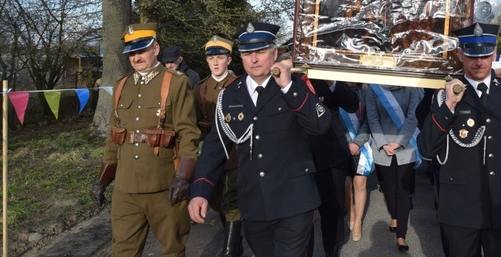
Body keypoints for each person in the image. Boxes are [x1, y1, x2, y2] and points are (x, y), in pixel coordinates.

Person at [188, 22, 331, 256]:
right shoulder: (230, 95)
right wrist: (200, 190)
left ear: (274, 53)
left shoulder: (295, 85)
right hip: (254, 201)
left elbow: (321, 125)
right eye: (247, 53)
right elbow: (215, 147)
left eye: (261, 52)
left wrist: (287, 87)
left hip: (294, 200)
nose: (254, 60)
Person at [418, 22, 501, 257]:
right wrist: (449, 106)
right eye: (472, 55)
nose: (479, 62)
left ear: (494, 53)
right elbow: (426, 149)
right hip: (460, 209)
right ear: (460, 55)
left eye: (485, 55)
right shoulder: (444, 95)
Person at [90, 23, 201, 256]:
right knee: (122, 250)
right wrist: (102, 181)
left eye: (141, 51)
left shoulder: (176, 82)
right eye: (132, 53)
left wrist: (183, 178)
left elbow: (189, 133)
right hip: (125, 188)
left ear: (156, 48)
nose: (136, 57)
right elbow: (114, 138)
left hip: (164, 186)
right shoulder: (122, 86)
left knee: (172, 249)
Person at [191, 35, 242, 256]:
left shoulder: (240, 85)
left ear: (229, 60)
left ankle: (231, 249)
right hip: (211, 155)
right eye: (211, 58)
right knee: (217, 199)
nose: (215, 62)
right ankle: (232, 233)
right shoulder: (201, 88)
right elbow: (193, 123)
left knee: (233, 199)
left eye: (220, 57)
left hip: (236, 154)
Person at [366, 83, 423, 252]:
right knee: (389, 188)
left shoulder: (411, 87)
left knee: (403, 191)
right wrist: (384, 144)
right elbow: (372, 118)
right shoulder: (373, 88)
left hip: (406, 145)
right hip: (382, 146)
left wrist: (398, 142)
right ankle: (395, 216)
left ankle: (401, 235)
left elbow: (413, 117)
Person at [306, 78, 360, 257]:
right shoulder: (289, 80)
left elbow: (352, 105)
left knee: (333, 211)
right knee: (300, 214)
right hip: (300, 157)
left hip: (331, 155)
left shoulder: (325, 77)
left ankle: (332, 251)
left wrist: (333, 84)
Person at [342, 84, 373, 244]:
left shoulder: (366, 93)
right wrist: (346, 142)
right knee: (347, 184)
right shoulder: (337, 90)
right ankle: (351, 211)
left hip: (362, 145)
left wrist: (357, 142)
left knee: (360, 182)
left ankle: (358, 223)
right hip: (342, 145)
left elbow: (369, 120)